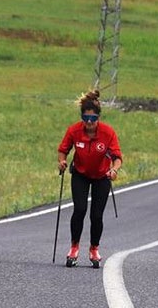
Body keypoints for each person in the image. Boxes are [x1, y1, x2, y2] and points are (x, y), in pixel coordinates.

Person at [57, 89, 122, 268]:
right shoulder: (75, 131)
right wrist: (62, 162)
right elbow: (63, 150)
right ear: (82, 118)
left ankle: (94, 248)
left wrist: (114, 170)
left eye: (93, 119)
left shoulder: (108, 133)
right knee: (79, 209)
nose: (89, 123)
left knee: (96, 215)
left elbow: (117, 157)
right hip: (81, 174)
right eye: (86, 119)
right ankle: (74, 248)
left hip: (102, 176)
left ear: (98, 118)